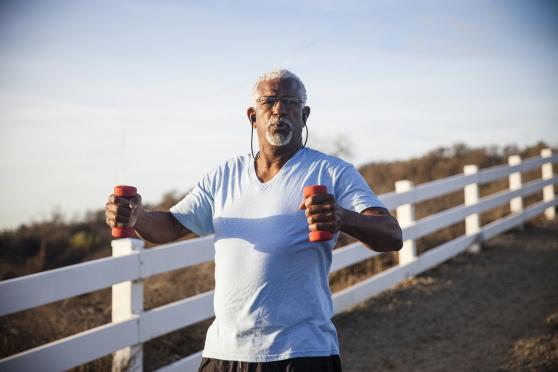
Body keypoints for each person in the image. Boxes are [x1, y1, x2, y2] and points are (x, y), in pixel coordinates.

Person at [105, 69, 403, 372]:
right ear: (252, 116)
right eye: (269, 101)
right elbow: (169, 226)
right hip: (224, 353)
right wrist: (138, 216)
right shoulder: (225, 175)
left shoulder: (332, 171)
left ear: (305, 114)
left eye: (290, 101)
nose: (279, 109)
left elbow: (392, 235)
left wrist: (343, 217)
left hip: (301, 353)